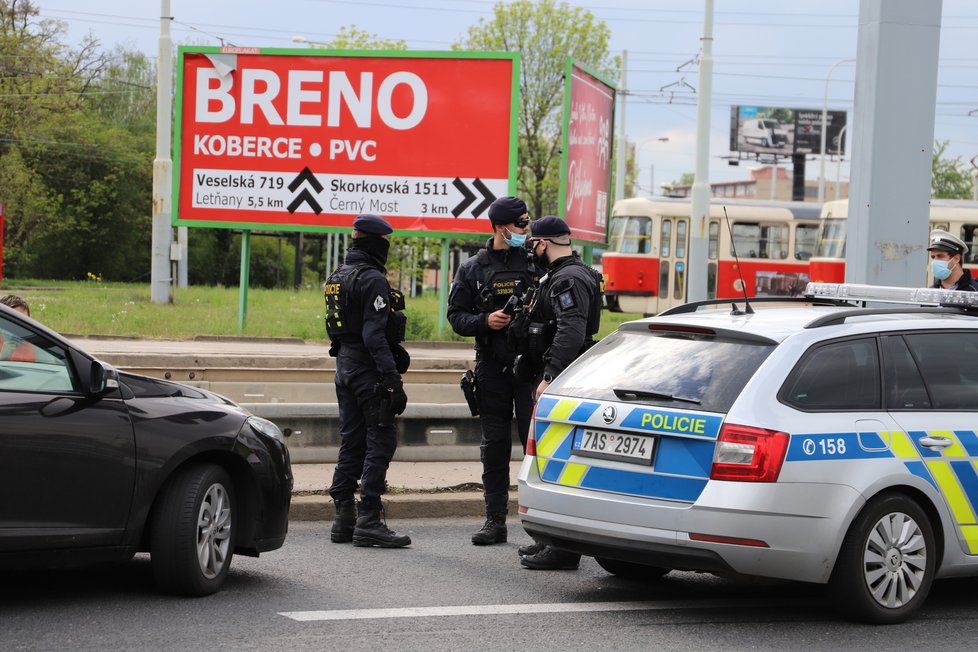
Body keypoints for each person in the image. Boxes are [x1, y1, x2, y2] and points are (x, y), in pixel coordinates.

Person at [448, 196, 539, 546]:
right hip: (492, 368)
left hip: (531, 369)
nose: (526, 229)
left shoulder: (535, 262)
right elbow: (456, 317)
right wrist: (485, 321)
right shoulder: (474, 267)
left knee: (537, 446)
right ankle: (494, 520)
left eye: (528, 223)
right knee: (495, 445)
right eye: (520, 224)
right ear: (501, 227)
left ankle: (542, 529)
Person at [516, 215, 603, 570]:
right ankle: (550, 540)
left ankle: (564, 549)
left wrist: (551, 375)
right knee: (548, 461)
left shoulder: (568, 278)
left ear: (543, 243)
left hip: (563, 377)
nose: (532, 250)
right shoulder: (564, 274)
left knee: (557, 463)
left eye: (533, 244)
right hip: (557, 373)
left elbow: (570, 330)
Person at [323, 213, 411, 548]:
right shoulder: (371, 278)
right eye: (386, 243)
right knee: (381, 439)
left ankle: (343, 516)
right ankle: (369, 518)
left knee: (352, 440)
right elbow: (375, 335)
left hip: (344, 366)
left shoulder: (337, 276)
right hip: (367, 369)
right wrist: (392, 380)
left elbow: (336, 329)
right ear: (376, 242)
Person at [0, 295, 35, 362]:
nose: (21, 326)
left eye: (24, 321)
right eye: (15, 321)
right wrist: (4, 356)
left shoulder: (37, 343)